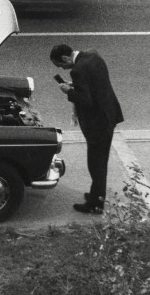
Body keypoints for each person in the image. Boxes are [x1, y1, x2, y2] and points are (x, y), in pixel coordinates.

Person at [50, 44, 124, 214]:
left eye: (61, 65)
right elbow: (93, 84)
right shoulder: (92, 55)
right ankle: (96, 195)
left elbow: (86, 100)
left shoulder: (78, 71)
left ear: (65, 58)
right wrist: (75, 85)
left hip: (97, 123)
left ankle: (96, 204)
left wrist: (68, 91)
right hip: (108, 115)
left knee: (95, 163)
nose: (63, 68)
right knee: (100, 161)